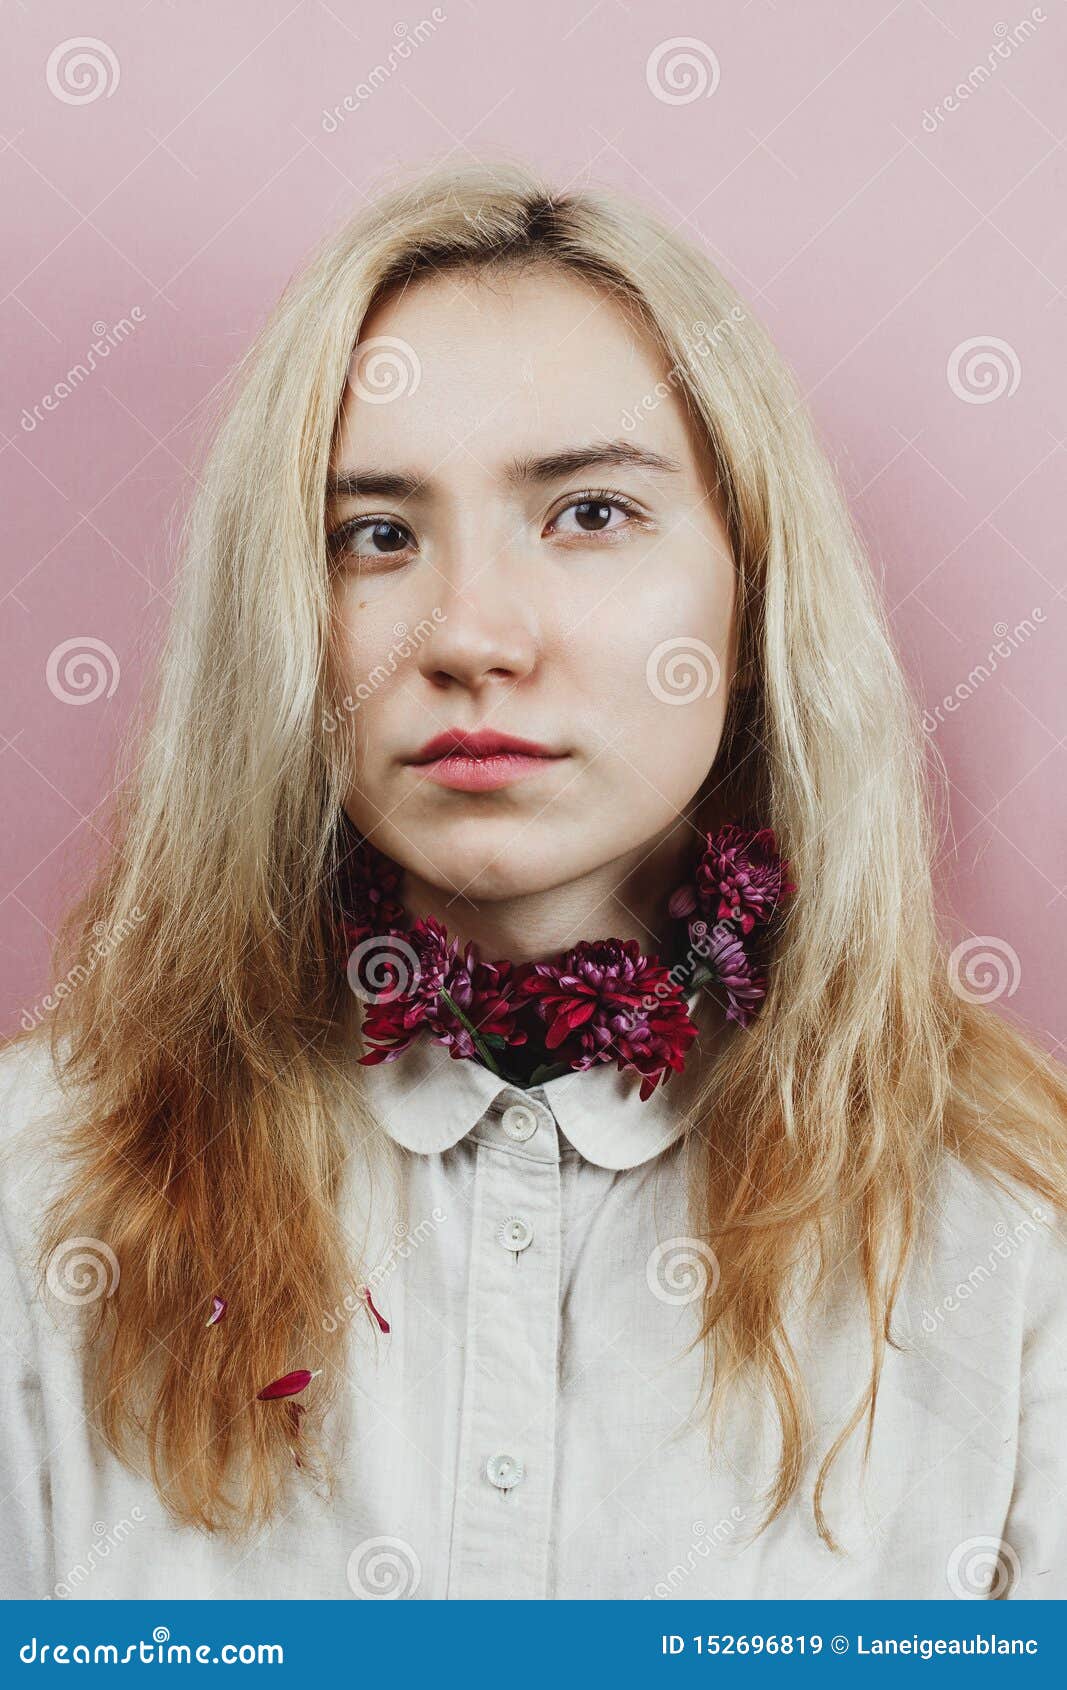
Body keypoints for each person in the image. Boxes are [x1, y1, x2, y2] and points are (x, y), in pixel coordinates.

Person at [1, 158, 1065, 1602]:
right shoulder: (32, 1194)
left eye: (590, 514)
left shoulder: (1016, 1228)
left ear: (752, 592)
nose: (474, 633)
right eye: (375, 534)